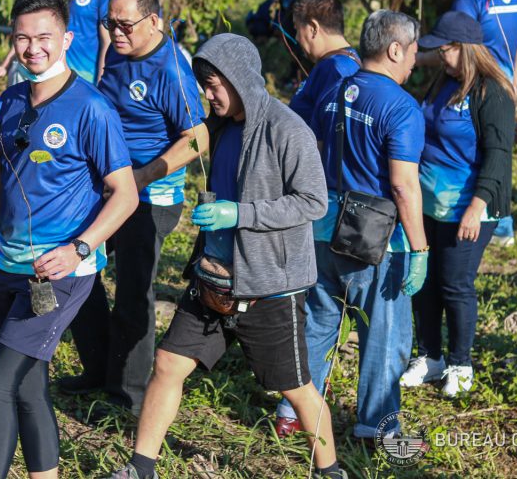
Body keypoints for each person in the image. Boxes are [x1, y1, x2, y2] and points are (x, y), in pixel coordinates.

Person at [0, 0, 138, 479]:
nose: (32, 47)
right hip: (5, 266)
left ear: (67, 38)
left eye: (44, 37)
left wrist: (80, 247)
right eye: (22, 38)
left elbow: (124, 194)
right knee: (27, 386)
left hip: (59, 274)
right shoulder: (12, 98)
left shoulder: (91, 108)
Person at [107, 33, 344, 479]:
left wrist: (241, 213)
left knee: (296, 389)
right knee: (168, 364)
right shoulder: (219, 126)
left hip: (269, 287)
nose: (207, 94)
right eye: (204, 84)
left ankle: (330, 471)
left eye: (215, 84)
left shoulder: (286, 128)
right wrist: (141, 177)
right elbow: (187, 146)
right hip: (214, 279)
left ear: (241, 80)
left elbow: (314, 201)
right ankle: (141, 468)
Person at [274, 10, 429, 440]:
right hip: (376, 238)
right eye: (414, 50)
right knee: (383, 334)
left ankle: (292, 411)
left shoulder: (333, 92)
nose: (416, 60)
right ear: (395, 49)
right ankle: (376, 426)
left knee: (320, 323)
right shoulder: (401, 106)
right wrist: (420, 248)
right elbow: (402, 186)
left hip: (323, 226)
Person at [61, 0, 207, 416]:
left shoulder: (172, 70)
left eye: (125, 25)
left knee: (132, 293)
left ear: (154, 22)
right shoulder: (119, 55)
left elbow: (197, 139)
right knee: (77, 272)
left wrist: (140, 178)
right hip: (103, 188)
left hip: (150, 199)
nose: (116, 32)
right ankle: (99, 366)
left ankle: (127, 396)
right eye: (110, 23)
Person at [400, 11, 515, 397]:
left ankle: (461, 363)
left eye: (444, 50)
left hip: (468, 206)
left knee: (455, 284)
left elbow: (499, 154)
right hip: (428, 204)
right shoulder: (442, 82)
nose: (439, 57)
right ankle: (430, 356)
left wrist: (475, 207)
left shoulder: (490, 91)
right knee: (426, 283)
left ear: (463, 49)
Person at [441, 0, 517, 248]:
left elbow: (458, 42)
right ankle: (503, 223)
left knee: (482, 152)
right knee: (501, 149)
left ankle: (487, 218)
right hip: (505, 83)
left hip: (479, 87)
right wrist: (512, 83)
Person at [288, 0, 361, 125]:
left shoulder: (333, 69)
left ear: (313, 28)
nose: (296, 38)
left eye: (297, 29)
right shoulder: (348, 61)